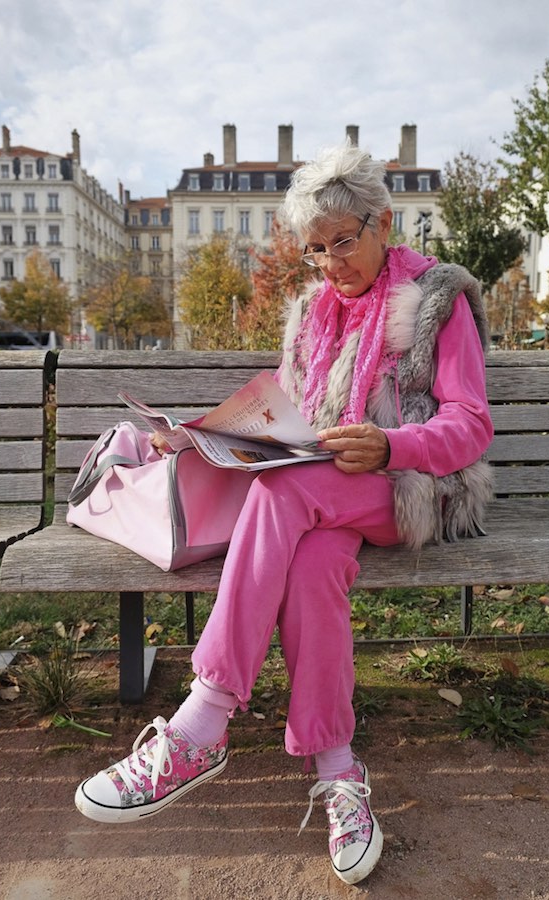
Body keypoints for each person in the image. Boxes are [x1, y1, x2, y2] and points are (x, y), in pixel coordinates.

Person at [74, 142, 494, 885]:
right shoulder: (313, 311)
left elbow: (470, 424)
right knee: (311, 564)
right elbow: (288, 401)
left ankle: (202, 721)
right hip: (326, 495)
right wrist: (206, 433)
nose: (331, 263)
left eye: (343, 241)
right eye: (315, 250)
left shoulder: (438, 299)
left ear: (382, 222)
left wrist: (391, 444)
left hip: (414, 488)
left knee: (284, 492)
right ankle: (339, 771)